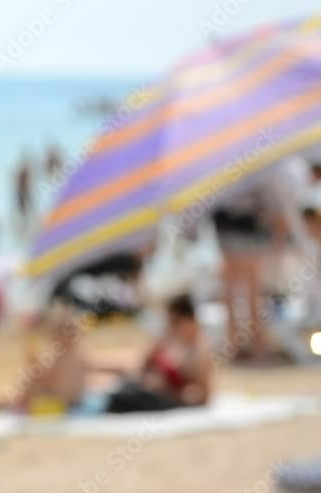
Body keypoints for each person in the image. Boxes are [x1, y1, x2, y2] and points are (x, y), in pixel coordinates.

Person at [212, 156, 317, 361]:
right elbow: (281, 210)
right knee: (249, 287)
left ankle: (242, 342)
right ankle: (252, 344)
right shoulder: (277, 167)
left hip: (236, 222)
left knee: (238, 287)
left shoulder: (241, 162)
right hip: (244, 224)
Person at [107, 294, 214, 412]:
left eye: (174, 321)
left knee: (123, 401)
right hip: (148, 390)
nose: (171, 326)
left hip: (167, 400)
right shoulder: (169, 339)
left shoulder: (200, 350)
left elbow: (202, 395)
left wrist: (168, 390)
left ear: (189, 320)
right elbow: (142, 365)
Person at [15, 152, 34, 236]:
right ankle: (23, 229)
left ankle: (25, 228)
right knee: (23, 213)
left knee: (26, 213)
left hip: (25, 194)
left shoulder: (25, 172)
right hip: (22, 194)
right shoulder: (23, 173)